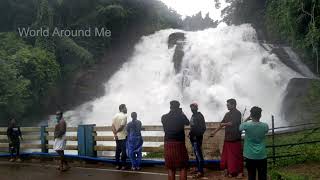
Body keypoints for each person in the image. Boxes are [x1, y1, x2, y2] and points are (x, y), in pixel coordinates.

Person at [212, 98, 244, 178]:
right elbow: (222, 124)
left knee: (237, 157)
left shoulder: (238, 113)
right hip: (228, 139)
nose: (227, 106)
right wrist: (214, 132)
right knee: (228, 157)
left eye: (228, 104)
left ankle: (240, 172)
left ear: (233, 105)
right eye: (227, 104)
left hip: (235, 138)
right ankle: (230, 171)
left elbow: (232, 123)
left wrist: (225, 124)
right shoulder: (227, 114)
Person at [161, 100, 190, 180]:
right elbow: (188, 122)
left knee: (171, 168)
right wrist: (182, 113)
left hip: (168, 143)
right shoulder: (181, 116)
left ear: (170, 107)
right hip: (179, 143)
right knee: (183, 167)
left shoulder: (164, 117)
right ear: (178, 108)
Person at [240, 107, 269, 180]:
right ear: (260, 115)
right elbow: (266, 131)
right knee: (262, 176)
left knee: (251, 175)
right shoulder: (265, 126)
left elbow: (240, 127)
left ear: (251, 115)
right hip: (262, 155)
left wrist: (247, 119)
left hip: (250, 156)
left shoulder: (246, 125)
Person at [189, 103, 206, 178]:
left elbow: (203, 128)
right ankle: (198, 168)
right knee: (196, 154)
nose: (192, 109)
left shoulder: (199, 115)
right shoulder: (193, 116)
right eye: (191, 107)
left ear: (196, 108)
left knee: (199, 155)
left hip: (197, 139)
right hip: (192, 138)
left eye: (193, 107)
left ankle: (200, 171)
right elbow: (193, 127)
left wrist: (197, 135)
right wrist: (190, 133)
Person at [112, 104, 128, 170]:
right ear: (122, 109)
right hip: (123, 136)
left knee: (117, 151)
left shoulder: (115, 116)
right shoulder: (124, 116)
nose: (126, 109)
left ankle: (117, 165)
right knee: (124, 151)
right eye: (125, 108)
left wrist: (115, 133)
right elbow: (121, 127)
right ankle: (123, 165)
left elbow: (112, 126)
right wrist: (117, 131)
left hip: (117, 137)